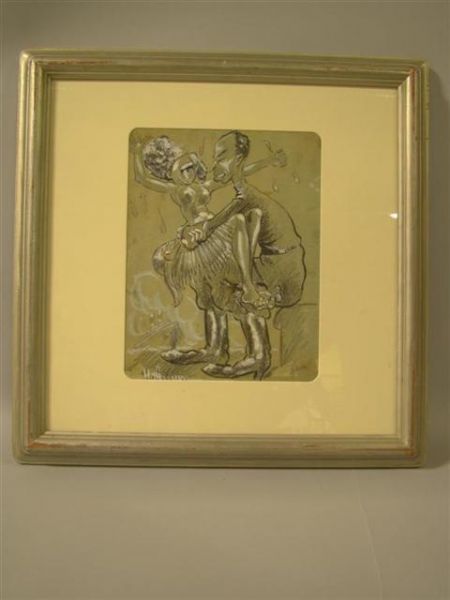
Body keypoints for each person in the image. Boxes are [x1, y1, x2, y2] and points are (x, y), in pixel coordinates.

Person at [134, 135, 286, 366]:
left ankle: (248, 333)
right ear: (170, 173)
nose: (189, 173)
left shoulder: (204, 185)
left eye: (190, 167)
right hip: (199, 238)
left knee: (231, 264)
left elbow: (239, 173)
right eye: (182, 170)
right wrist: (137, 152)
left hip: (214, 233)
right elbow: (142, 178)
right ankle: (216, 349)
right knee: (210, 292)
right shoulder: (174, 189)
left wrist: (268, 161)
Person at [179, 130, 307, 379]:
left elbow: (215, 225)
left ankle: (257, 356)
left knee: (236, 283)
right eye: (215, 158)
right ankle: (216, 349)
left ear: (237, 160)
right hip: (275, 263)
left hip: (284, 270)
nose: (215, 165)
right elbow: (214, 226)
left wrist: (247, 284)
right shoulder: (243, 195)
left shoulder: (247, 199)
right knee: (216, 275)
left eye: (222, 157)